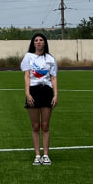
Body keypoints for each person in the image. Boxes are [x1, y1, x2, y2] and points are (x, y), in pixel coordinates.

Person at [21, 32, 59, 165]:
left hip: (47, 91)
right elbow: (27, 76)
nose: (38, 42)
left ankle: (46, 155)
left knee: (45, 126)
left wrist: (55, 94)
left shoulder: (50, 59)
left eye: (41, 40)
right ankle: (37, 155)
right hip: (33, 91)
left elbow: (53, 77)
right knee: (35, 126)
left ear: (44, 43)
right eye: (36, 40)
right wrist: (27, 93)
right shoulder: (28, 57)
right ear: (33, 43)